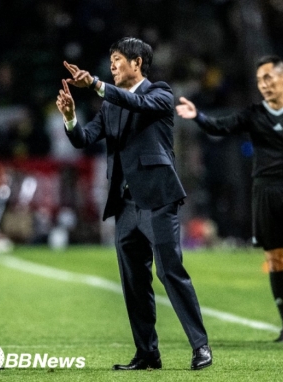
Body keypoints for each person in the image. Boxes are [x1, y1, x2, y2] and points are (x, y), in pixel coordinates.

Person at [56, 37, 212, 370]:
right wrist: (70, 118)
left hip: (157, 199)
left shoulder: (161, 92)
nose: (111, 66)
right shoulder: (110, 104)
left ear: (137, 62)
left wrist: (96, 85)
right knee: (133, 282)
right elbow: (84, 139)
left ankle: (200, 346)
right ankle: (147, 353)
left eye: (117, 60)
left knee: (171, 272)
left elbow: (139, 105)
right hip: (126, 205)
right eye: (109, 62)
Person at [177, 55, 283, 342]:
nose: (263, 85)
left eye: (268, 78)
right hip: (265, 190)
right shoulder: (254, 114)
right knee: (275, 258)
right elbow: (221, 126)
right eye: (259, 81)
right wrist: (199, 117)